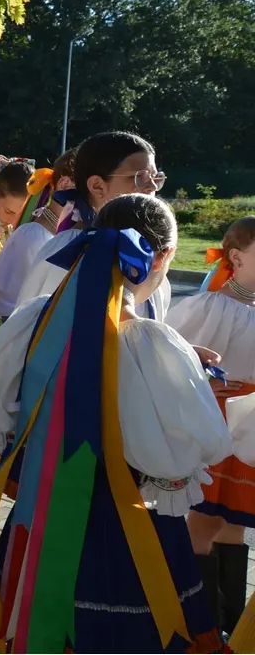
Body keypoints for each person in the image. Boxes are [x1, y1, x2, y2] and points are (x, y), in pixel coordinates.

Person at [0, 193, 229, 653]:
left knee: (40, 622)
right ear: (160, 258)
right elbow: (176, 455)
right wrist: (192, 386)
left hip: (41, 512)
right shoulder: (156, 347)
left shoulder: (35, 322)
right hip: (127, 523)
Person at [167, 216, 255, 637]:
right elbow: (171, 356)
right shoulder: (213, 306)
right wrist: (211, 380)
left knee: (235, 524)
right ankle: (195, 623)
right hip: (219, 425)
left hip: (251, 429)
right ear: (236, 257)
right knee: (205, 521)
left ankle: (232, 629)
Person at [15, 131, 169, 319]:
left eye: (156, 177)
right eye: (140, 177)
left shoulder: (147, 250)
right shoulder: (69, 251)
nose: (152, 187)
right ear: (97, 186)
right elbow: (45, 331)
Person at [0, 148, 76, 322]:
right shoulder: (34, 237)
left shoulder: (63, 236)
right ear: (65, 184)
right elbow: (9, 311)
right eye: (96, 186)